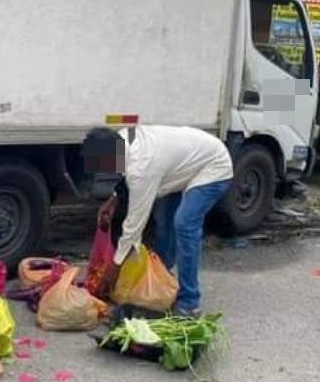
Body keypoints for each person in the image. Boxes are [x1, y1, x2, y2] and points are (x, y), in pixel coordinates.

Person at [83, 125, 232, 315]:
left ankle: (189, 302)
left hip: (213, 166)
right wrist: (114, 199)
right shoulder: (122, 140)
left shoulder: (141, 168)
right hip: (181, 167)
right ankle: (161, 281)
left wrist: (114, 267)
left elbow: (134, 225)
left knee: (184, 224)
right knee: (164, 223)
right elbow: (124, 175)